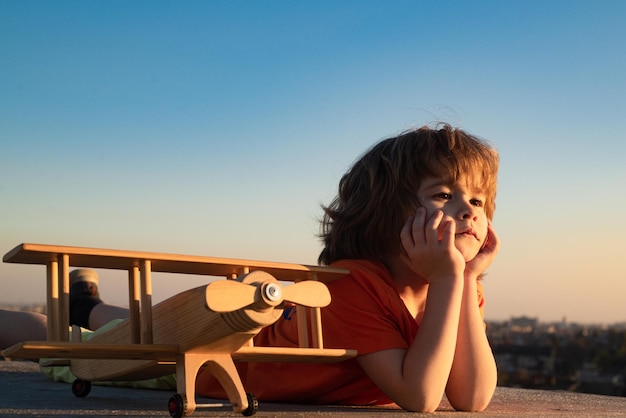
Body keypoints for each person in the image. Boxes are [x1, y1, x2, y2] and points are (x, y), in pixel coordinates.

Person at [1, 123, 499, 413]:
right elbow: (421, 395)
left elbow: (472, 397)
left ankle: (87, 305)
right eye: (443, 195)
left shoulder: (452, 288)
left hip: (229, 334)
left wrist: (465, 279)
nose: (470, 210)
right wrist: (454, 277)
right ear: (389, 215)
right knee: (70, 343)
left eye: (477, 198)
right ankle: (53, 317)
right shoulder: (356, 286)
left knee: (131, 317)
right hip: (200, 364)